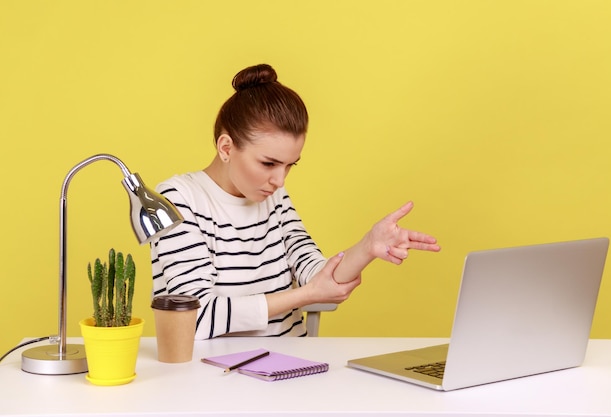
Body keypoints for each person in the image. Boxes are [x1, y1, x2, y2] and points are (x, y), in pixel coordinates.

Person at [150, 64, 441, 339]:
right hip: (213, 377)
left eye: (290, 165)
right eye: (268, 163)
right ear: (226, 147)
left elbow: (316, 274)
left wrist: (368, 246)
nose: (280, 180)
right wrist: (306, 295)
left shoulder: (273, 197)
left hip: (289, 369)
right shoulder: (177, 200)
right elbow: (196, 317)